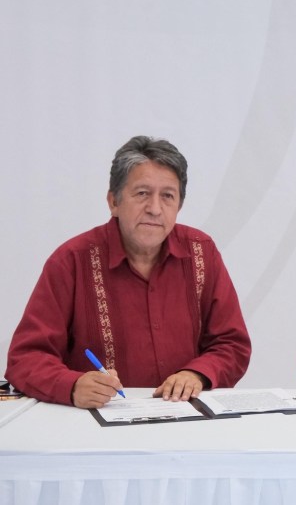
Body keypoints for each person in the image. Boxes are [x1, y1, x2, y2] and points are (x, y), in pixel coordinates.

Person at [5, 136, 252, 409]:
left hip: (185, 416)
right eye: (142, 193)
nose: (155, 209)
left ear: (179, 206)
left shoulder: (202, 252)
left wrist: (197, 374)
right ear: (114, 202)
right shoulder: (71, 261)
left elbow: (232, 344)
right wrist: (72, 385)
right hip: (96, 423)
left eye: (167, 196)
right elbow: (25, 359)